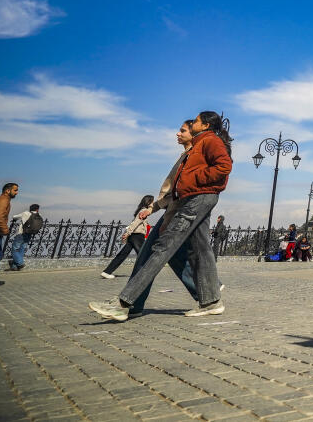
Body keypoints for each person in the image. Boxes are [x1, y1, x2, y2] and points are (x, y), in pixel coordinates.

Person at [89, 111, 232, 321]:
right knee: (201, 249)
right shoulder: (200, 144)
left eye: (197, 121)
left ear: (205, 126)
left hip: (197, 197)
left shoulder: (210, 141)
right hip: (195, 197)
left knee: (162, 248)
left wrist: (192, 180)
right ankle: (211, 301)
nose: (191, 125)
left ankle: (124, 302)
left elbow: (224, 166)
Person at [123, 121, 203, 318]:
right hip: (172, 211)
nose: (177, 133)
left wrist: (154, 207)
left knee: (147, 256)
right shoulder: (185, 155)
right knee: (173, 256)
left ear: (193, 134)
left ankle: (132, 302)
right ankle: (208, 293)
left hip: (175, 213)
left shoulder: (191, 156)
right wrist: (155, 207)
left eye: (183, 130)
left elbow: (177, 189)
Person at [101, 196, 154, 278]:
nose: (153, 204)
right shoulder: (144, 211)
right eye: (152, 202)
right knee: (144, 255)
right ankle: (145, 273)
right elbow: (136, 222)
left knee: (122, 255)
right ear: (149, 202)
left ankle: (107, 272)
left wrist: (129, 233)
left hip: (133, 236)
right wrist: (128, 232)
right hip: (137, 236)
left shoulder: (141, 210)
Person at [8, 203, 43, 271]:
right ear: (37, 210)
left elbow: (14, 217)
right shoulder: (39, 215)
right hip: (30, 234)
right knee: (22, 249)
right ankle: (15, 266)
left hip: (21, 233)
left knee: (15, 249)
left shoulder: (26, 213)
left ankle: (20, 263)